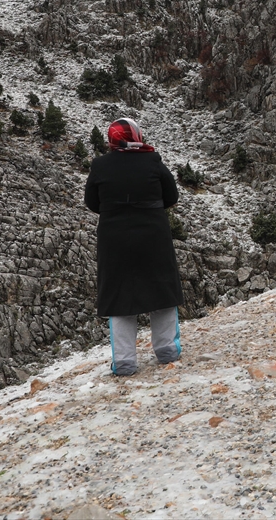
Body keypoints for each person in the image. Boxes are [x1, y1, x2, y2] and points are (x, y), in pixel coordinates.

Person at [84, 117, 183, 375]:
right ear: (137, 136)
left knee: (119, 295)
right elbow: (171, 196)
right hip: (153, 235)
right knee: (161, 289)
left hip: (114, 238)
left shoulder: (100, 165)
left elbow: (92, 203)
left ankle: (125, 362)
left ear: (112, 140)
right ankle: (167, 351)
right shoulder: (152, 160)